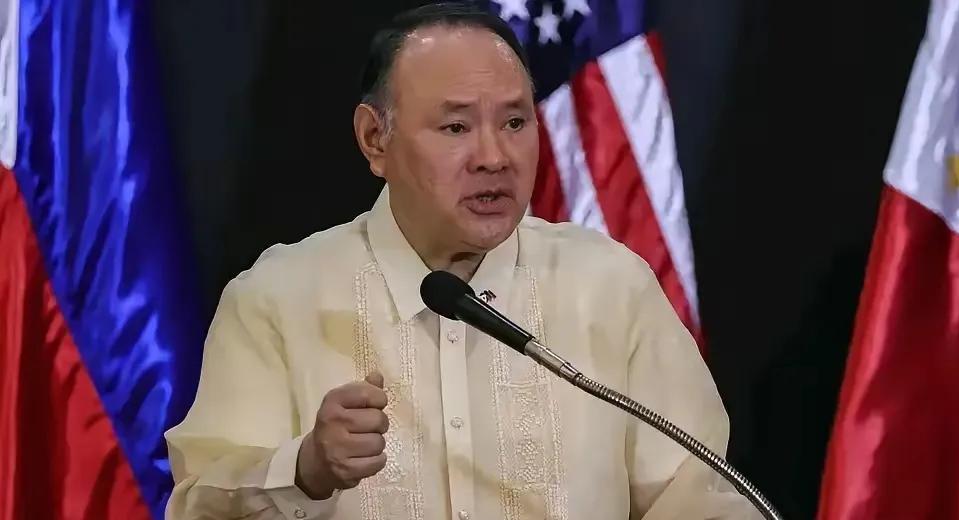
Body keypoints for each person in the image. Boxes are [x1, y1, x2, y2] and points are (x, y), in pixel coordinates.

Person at [164, 3, 757, 519]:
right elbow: (199, 508)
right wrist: (307, 469)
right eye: (455, 127)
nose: (494, 157)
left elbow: (699, 498)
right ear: (375, 139)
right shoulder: (275, 299)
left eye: (515, 122)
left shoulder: (610, 287)